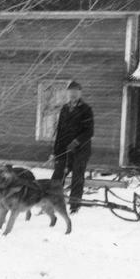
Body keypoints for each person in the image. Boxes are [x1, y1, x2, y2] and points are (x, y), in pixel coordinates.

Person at [51, 80, 94, 213]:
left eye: (76, 92)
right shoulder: (64, 109)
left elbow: (89, 132)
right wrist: (55, 151)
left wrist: (76, 142)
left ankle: (75, 205)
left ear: (80, 94)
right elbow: (60, 131)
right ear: (67, 94)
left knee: (77, 176)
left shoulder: (86, 110)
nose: (73, 95)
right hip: (64, 149)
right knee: (58, 176)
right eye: (71, 92)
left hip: (81, 150)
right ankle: (53, 202)